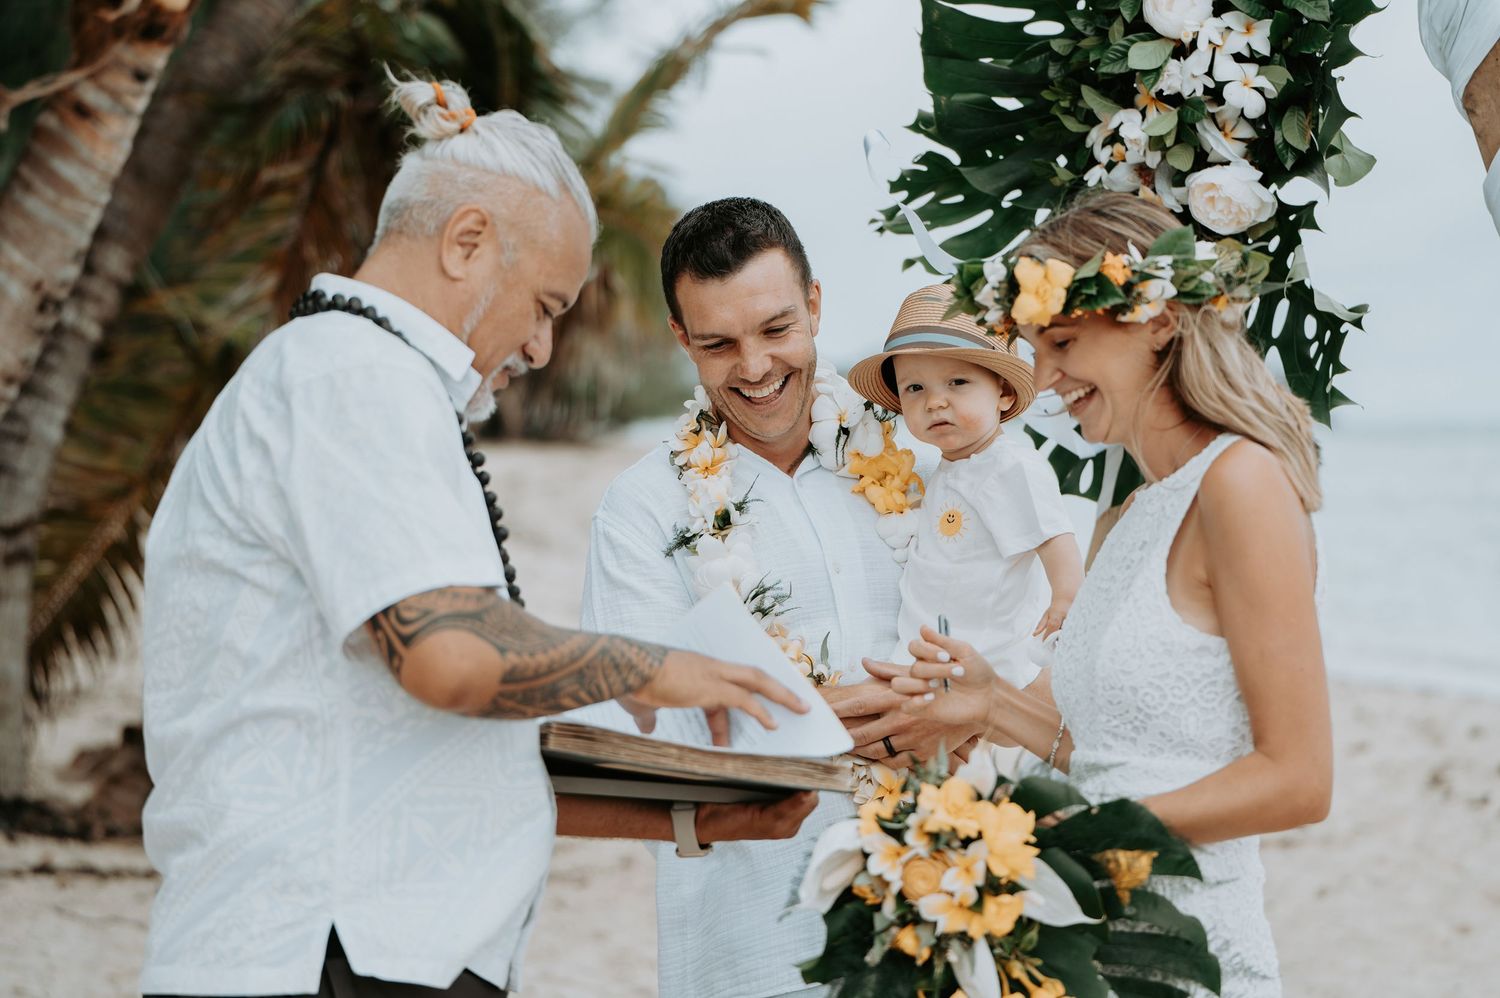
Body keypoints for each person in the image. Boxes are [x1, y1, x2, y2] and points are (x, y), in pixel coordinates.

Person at [137, 79, 813, 998]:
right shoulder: (351, 375)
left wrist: (693, 820)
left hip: (350, 952)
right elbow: (450, 657)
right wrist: (652, 666)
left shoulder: (359, 379)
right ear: (466, 242)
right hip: (328, 955)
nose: (539, 348)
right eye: (544, 305)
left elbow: (448, 745)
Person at [874, 192, 1332, 996]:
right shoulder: (1126, 515)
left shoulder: (1241, 484)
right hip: (1090, 956)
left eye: (1062, 342)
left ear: (1158, 320)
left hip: (1190, 956)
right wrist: (991, 703)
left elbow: (1299, 780)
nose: (1045, 378)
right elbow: (1111, 751)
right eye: (1036, 349)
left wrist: (1087, 831)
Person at [565, 197, 979, 998]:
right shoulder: (641, 509)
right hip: (754, 945)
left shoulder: (926, 465)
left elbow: (1005, 646)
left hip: (950, 912)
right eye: (718, 344)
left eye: (776, 329)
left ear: (815, 305)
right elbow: (637, 738)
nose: (754, 367)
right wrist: (833, 717)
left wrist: (963, 708)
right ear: (681, 338)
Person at [847, 283, 1082, 690]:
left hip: (990, 661)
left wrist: (1066, 600)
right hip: (930, 657)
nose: (934, 402)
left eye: (957, 382)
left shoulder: (1011, 466)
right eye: (915, 388)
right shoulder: (946, 470)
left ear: (1003, 392)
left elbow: (1054, 537)